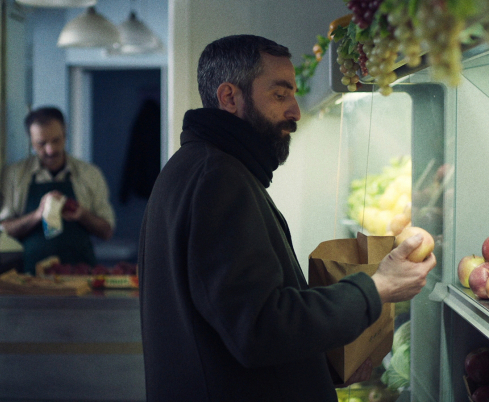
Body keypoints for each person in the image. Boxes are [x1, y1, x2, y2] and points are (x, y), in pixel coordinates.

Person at [138, 35, 436, 401]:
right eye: (280, 95)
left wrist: (318, 367)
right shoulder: (217, 180)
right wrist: (378, 288)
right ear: (229, 97)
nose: (295, 110)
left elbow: (229, 327)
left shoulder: (197, 168)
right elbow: (259, 328)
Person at [0, 106, 115, 274]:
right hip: (30, 278)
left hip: (81, 278)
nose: (50, 150)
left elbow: (107, 232)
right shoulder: (15, 176)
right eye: (41, 143)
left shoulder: (89, 174)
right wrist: (38, 214)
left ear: (65, 134)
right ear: (30, 140)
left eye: (56, 140)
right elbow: (5, 230)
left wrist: (82, 214)